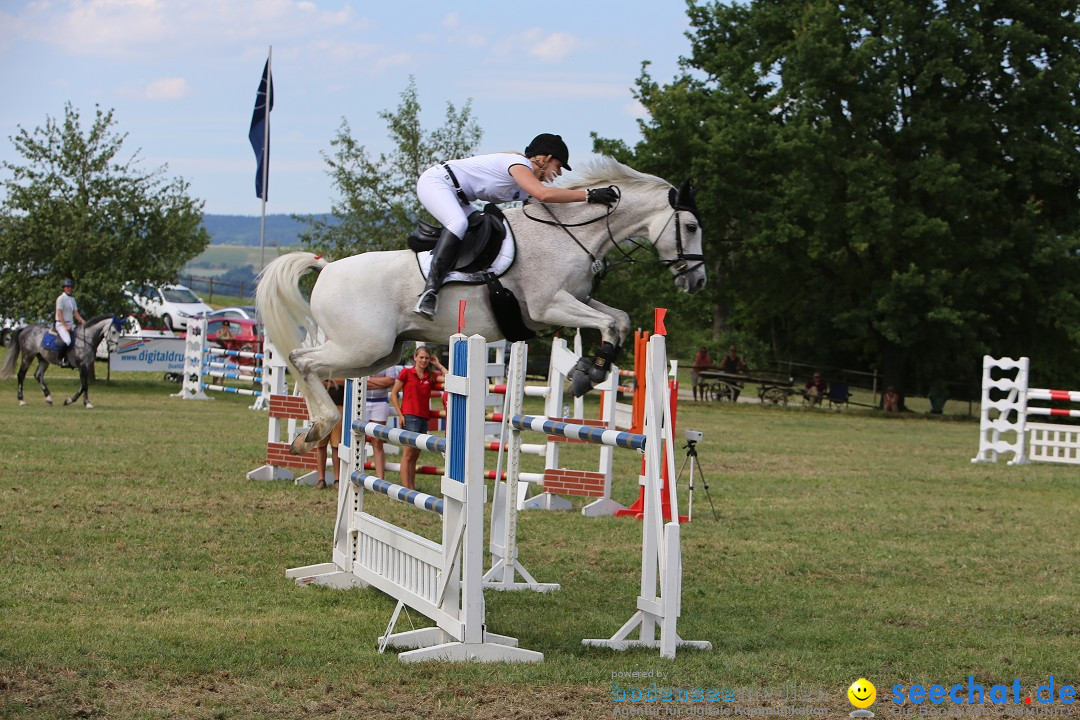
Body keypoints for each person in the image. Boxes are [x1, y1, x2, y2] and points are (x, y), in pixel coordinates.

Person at [413, 133, 619, 319]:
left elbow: (549, 209)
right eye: (559, 165)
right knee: (458, 223)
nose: (559, 173)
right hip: (438, 182)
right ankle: (429, 292)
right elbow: (544, 194)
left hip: (460, 198)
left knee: (477, 230)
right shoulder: (519, 164)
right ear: (545, 158)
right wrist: (589, 195)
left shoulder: (524, 185)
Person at [389, 346, 446, 490]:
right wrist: (400, 414)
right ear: (415, 357)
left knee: (415, 455)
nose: (424, 360)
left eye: (427, 358)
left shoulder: (430, 375)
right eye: (421, 357)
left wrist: (438, 364)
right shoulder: (407, 373)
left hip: (423, 418)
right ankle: (405, 488)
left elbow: (450, 378)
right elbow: (394, 393)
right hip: (409, 416)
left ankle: (411, 488)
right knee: (407, 454)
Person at [365, 366, 401, 480]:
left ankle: (380, 480)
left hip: (380, 403)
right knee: (357, 439)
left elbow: (390, 381)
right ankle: (356, 477)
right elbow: (358, 380)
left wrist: (367, 382)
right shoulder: (363, 355)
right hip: (361, 401)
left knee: (378, 441)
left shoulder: (388, 359)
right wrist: (381, 383)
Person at [315, 377, 347, 490]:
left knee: (336, 446)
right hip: (321, 409)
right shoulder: (322, 365)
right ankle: (321, 479)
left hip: (339, 407)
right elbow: (316, 381)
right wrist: (335, 382)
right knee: (320, 445)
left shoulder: (342, 366)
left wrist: (329, 382)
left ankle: (337, 479)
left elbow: (346, 381)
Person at [54, 278, 85, 367]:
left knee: (79, 338)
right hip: (61, 324)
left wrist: (82, 321)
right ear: (64, 288)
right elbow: (59, 313)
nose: (69, 289)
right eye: (67, 287)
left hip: (71, 324)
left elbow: (75, 313)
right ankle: (61, 359)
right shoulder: (61, 298)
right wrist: (65, 325)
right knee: (67, 341)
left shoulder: (72, 299)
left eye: (71, 287)